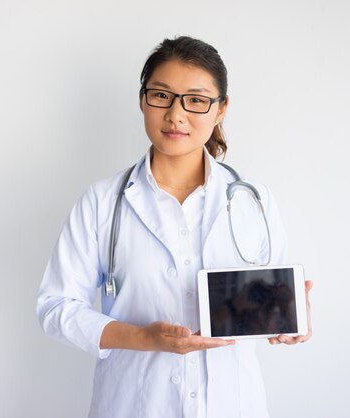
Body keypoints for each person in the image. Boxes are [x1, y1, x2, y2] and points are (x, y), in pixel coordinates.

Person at [37, 36, 313, 418]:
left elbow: (266, 305)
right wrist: (142, 338)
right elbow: (56, 307)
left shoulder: (255, 201)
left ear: (221, 110)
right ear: (142, 100)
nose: (176, 114)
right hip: (136, 406)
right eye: (162, 96)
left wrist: (286, 319)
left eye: (196, 100)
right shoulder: (103, 202)